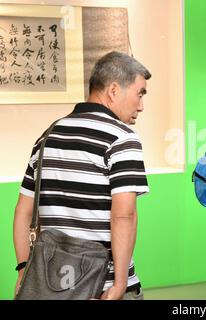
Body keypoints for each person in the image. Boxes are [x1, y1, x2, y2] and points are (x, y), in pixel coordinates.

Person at [13, 51, 151, 300]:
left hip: (50, 285)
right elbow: (124, 214)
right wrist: (119, 284)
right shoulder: (121, 138)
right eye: (139, 93)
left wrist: (24, 271)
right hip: (102, 284)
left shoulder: (48, 136)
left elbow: (23, 211)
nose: (141, 105)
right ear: (113, 90)